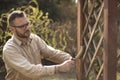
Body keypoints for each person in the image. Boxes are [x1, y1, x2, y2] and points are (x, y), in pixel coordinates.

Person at [2, 10, 75, 80]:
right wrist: (58, 68)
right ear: (12, 29)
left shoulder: (34, 39)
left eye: (27, 24)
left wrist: (70, 59)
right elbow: (31, 71)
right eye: (22, 26)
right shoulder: (9, 49)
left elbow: (51, 53)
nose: (27, 28)